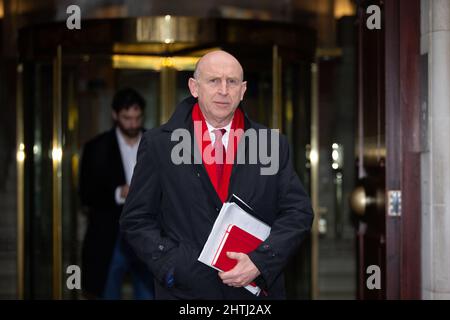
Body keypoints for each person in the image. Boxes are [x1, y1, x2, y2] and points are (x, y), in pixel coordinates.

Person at [120, 51, 314, 299]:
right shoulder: (160, 145)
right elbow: (135, 219)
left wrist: (260, 261)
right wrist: (173, 265)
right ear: (194, 87)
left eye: (232, 82)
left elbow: (298, 212)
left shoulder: (271, 144)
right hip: (185, 294)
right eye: (214, 81)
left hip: (254, 294)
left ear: (242, 90)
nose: (224, 90)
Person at [79, 87, 154, 299]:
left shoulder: (157, 143)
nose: (133, 123)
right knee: (107, 291)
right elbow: (85, 193)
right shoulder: (96, 147)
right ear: (115, 115)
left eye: (137, 117)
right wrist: (119, 193)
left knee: (148, 294)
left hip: (147, 233)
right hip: (109, 235)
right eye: (127, 117)